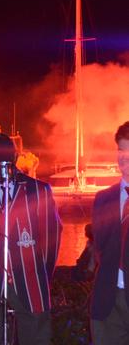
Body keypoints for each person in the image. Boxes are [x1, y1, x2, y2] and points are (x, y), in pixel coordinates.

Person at [0, 133, 61, 345]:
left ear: (12, 161)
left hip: (31, 283)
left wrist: (40, 275)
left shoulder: (38, 190)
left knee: (36, 338)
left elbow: (51, 237)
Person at [90, 121, 129, 343]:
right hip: (108, 301)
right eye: (121, 149)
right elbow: (100, 249)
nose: (125, 156)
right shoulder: (103, 199)